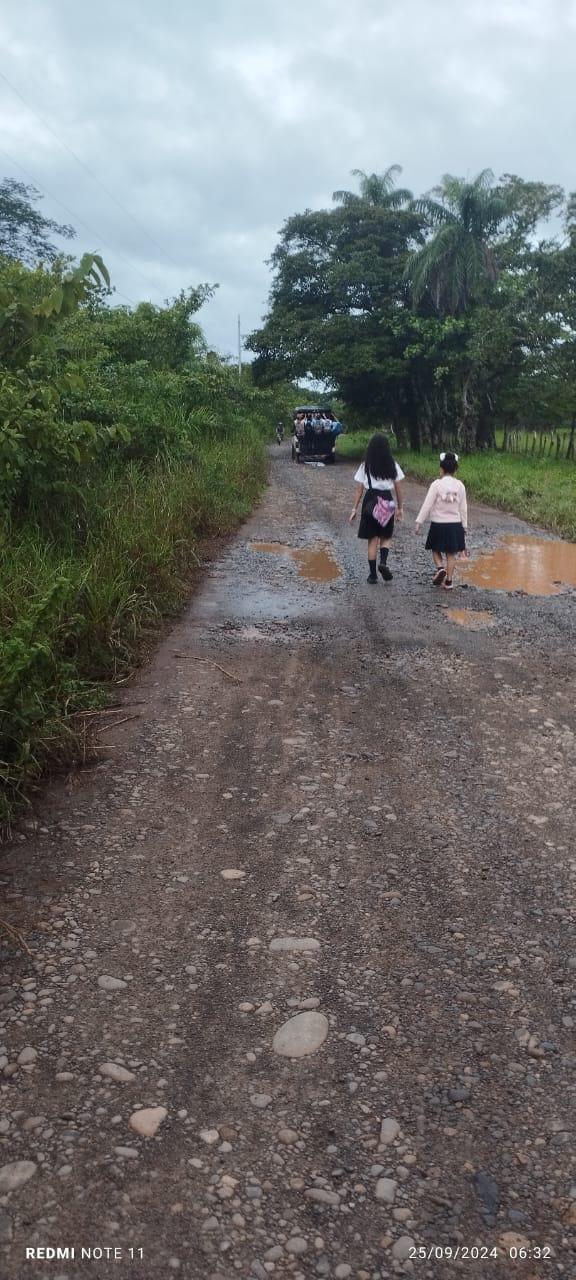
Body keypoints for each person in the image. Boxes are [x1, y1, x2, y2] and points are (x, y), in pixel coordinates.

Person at [349, 433, 405, 583]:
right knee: (386, 536)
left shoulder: (365, 465)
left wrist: (354, 509)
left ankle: (372, 575)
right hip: (386, 500)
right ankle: (384, 562)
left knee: (372, 539)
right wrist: (400, 508)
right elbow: (398, 488)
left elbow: (359, 490)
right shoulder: (392, 464)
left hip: (370, 501)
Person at [414, 451, 468, 590]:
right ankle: (449, 582)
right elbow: (463, 508)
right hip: (455, 524)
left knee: (435, 549)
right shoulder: (460, 486)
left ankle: (439, 568)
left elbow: (427, 504)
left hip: (438, 524)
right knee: (451, 554)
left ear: (442, 469)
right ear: (455, 470)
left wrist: (419, 521)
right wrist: (464, 526)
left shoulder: (436, 484)